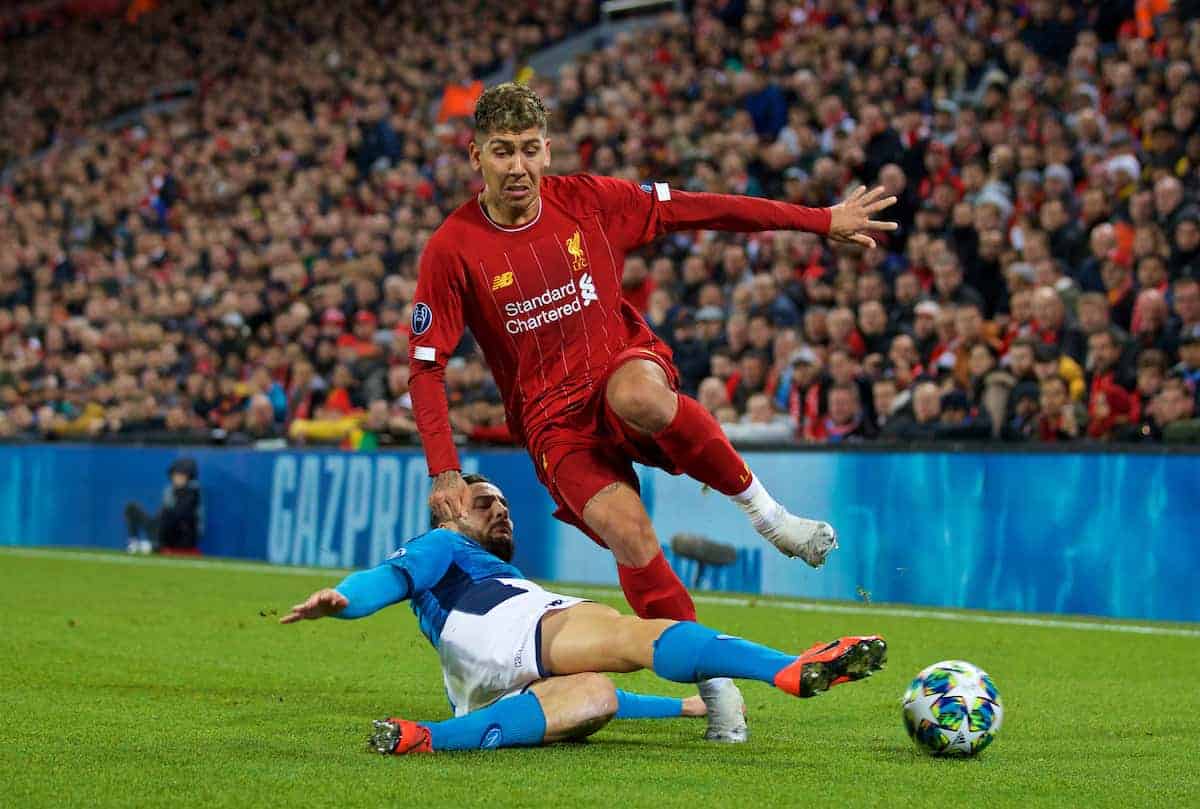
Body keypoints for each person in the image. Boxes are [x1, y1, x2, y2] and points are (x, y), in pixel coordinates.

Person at [407, 83, 896, 741]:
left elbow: (704, 208)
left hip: (619, 365)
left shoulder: (589, 201)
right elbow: (426, 364)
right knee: (630, 534)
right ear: (477, 157)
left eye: (528, 150)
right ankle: (716, 690)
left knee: (637, 394)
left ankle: (770, 516)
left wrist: (818, 219)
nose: (517, 166)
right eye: (502, 152)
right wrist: (445, 467)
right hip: (552, 424)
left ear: (546, 151)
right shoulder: (453, 248)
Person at [280, 475, 886, 755]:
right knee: (631, 636)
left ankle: (422, 738)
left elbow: (619, 701)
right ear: (449, 514)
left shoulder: (484, 565)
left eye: (507, 506)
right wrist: (344, 600)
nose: (500, 511)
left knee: (595, 696)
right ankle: (787, 669)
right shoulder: (442, 544)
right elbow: (382, 580)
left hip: (478, 679)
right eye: (484, 502)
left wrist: (681, 706)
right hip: (499, 623)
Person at [124, 457, 203, 555]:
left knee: (167, 513)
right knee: (132, 507)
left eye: (181, 475)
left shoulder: (193, 493)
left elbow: (181, 515)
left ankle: (155, 545)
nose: (177, 478)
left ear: (189, 477)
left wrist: (165, 516)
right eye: (176, 474)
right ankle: (135, 542)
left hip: (183, 535)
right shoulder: (169, 490)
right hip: (163, 529)